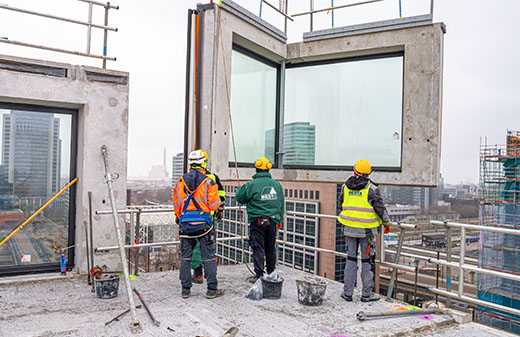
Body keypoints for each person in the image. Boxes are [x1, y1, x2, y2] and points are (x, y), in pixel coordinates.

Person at [173, 150, 224, 299]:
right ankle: (212, 289)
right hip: (204, 225)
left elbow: (176, 204)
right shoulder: (209, 181)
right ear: (203, 163)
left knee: (185, 258)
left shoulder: (181, 181)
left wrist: (180, 215)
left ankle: (185, 290)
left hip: (186, 225)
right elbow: (215, 204)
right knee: (208, 257)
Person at [338, 159, 390, 302]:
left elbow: (341, 204)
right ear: (368, 174)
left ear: (354, 171)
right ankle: (366, 294)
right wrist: (387, 223)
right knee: (367, 261)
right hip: (366, 232)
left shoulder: (345, 187)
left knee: (350, 259)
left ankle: (347, 292)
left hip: (349, 228)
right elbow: (380, 209)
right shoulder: (371, 189)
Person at [236, 157, 284, 283]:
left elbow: (240, 198)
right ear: (268, 169)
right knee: (270, 247)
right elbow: (281, 203)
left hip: (257, 221)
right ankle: (271, 273)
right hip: (273, 220)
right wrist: (279, 220)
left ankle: (259, 275)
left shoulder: (251, 185)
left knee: (258, 247)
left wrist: (240, 189)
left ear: (256, 169)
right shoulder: (277, 185)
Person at [190, 149, 226, 284]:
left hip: (191, 218)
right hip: (208, 218)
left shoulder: (186, 178)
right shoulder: (213, 178)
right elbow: (220, 196)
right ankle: (209, 276)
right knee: (207, 246)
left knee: (195, 246)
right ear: (204, 163)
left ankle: (198, 274)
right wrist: (219, 211)